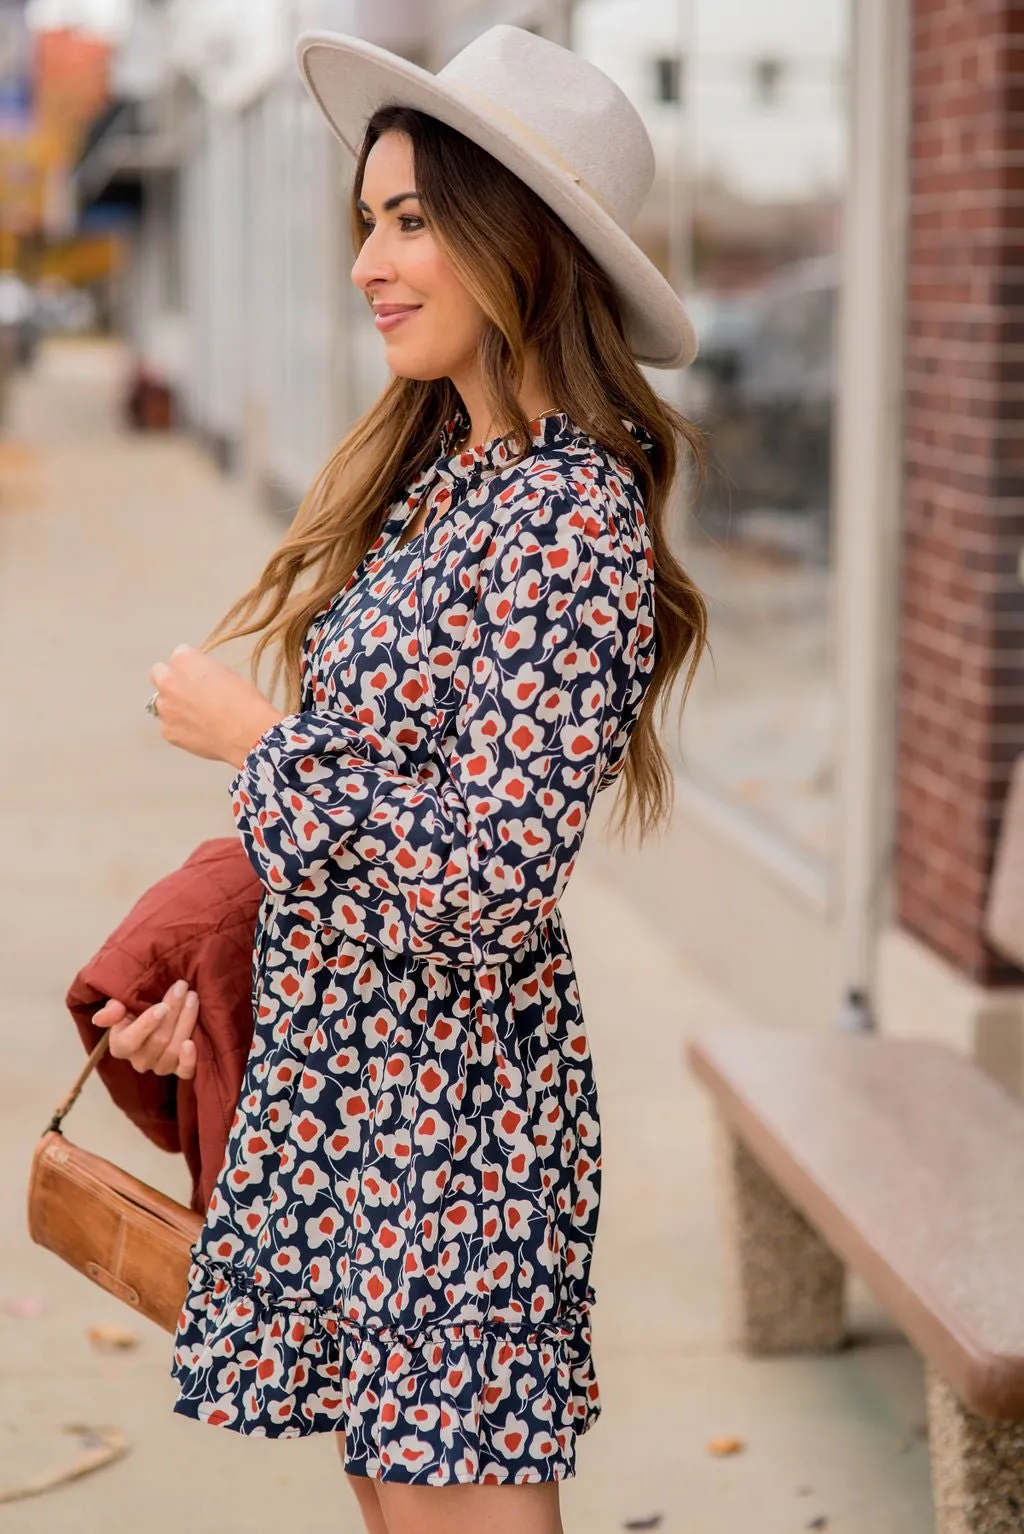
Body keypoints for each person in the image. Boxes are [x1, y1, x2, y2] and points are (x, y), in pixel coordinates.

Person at [95, 24, 708, 1534]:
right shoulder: (447, 482)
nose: (370, 258)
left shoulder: (571, 520)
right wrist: (217, 966)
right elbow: (376, 816)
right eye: (368, 220)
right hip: (360, 1109)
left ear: (527, 244)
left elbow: (485, 885)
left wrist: (259, 742)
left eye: (413, 219)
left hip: (459, 1135)